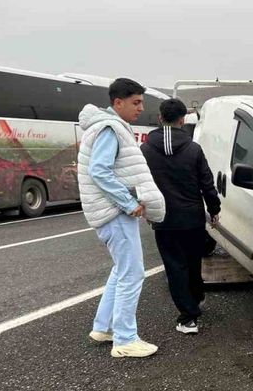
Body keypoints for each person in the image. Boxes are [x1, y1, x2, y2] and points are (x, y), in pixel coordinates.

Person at [77, 78, 166, 357]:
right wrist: (128, 203)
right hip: (114, 212)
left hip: (109, 211)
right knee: (132, 273)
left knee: (121, 270)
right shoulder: (110, 128)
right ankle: (125, 340)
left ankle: (104, 327)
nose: (141, 108)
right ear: (118, 102)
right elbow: (100, 171)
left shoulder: (108, 126)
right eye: (136, 102)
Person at [141, 99, 221, 335]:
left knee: (175, 266)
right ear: (182, 119)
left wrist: (146, 209)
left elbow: (141, 185)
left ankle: (188, 318)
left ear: (159, 118)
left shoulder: (145, 150)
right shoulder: (193, 149)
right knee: (193, 261)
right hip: (192, 217)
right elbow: (207, 183)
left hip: (163, 219)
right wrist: (214, 209)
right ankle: (197, 300)